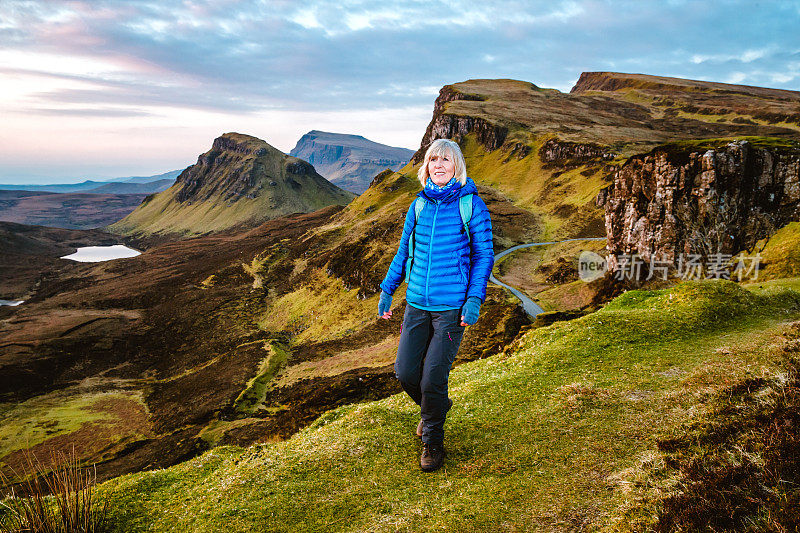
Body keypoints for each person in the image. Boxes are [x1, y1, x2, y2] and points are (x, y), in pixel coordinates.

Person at [377, 138, 494, 472]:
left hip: (451, 308)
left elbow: (484, 256)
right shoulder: (418, 206)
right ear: (425, 166)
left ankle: (432, 441)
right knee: (404, 372)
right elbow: (403, 251)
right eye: (433, 160)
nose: (439, 165)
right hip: (416, 304)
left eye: (446, 159)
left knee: (432, 379)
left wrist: (473, 300)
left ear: (456, 166)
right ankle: (437, 409)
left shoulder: (471, 205)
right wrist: (388, 290)